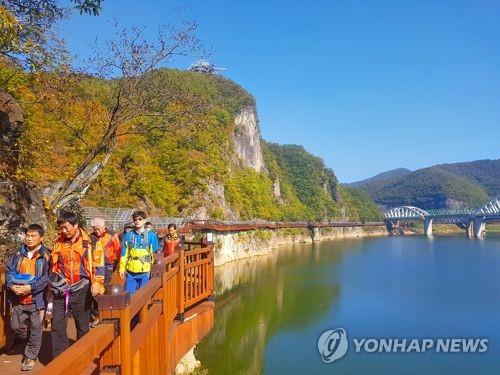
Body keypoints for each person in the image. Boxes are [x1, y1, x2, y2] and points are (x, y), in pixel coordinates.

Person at [50, 211, 105, 358]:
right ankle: (59, 358)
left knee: (82, 324)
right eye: (61, 228)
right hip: (62, 289)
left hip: (82, 288)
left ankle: (84, 354)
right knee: (57, 324)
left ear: (75, 225)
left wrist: (97, 283)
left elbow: (99, 265)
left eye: (66, 227)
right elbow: (55, 265)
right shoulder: (58, 243)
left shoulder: (91, 242)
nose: (63, 231)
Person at [5, 224, 50, 371]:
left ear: (41, 238)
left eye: (33, 236)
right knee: (16, 326)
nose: (29, 239)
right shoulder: (18, 253)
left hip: (37, 299)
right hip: (18, 298)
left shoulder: (46, 255)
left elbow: (46, 278)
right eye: (28, 236)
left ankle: (30, 356)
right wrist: (11, 285)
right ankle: (24, 341)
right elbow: (9, 270)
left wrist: (30, 288)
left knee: (36, 328)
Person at [89, 217, 121, 327]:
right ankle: (96, 313)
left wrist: (113, 265)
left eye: (98, 229)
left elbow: (118, 251)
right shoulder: (91, 237)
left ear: (104, 226)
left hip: (108, 265)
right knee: (93, 290)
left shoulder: (112, 235)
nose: (96, 231)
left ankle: (101, 315)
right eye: (94, 229)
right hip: (95, 266)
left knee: (103, 290)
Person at [119, 210, 159, 294]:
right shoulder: (128, 235)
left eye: (140, 219)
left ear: (144, 220)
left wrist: (154, 269)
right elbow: (124, 253)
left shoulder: (151, 235)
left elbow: (155, 253)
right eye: (135, 219)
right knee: (129, 295)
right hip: (131, 271)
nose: (137, 221)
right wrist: (122, 268)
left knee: (143, 295)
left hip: (145, 270)